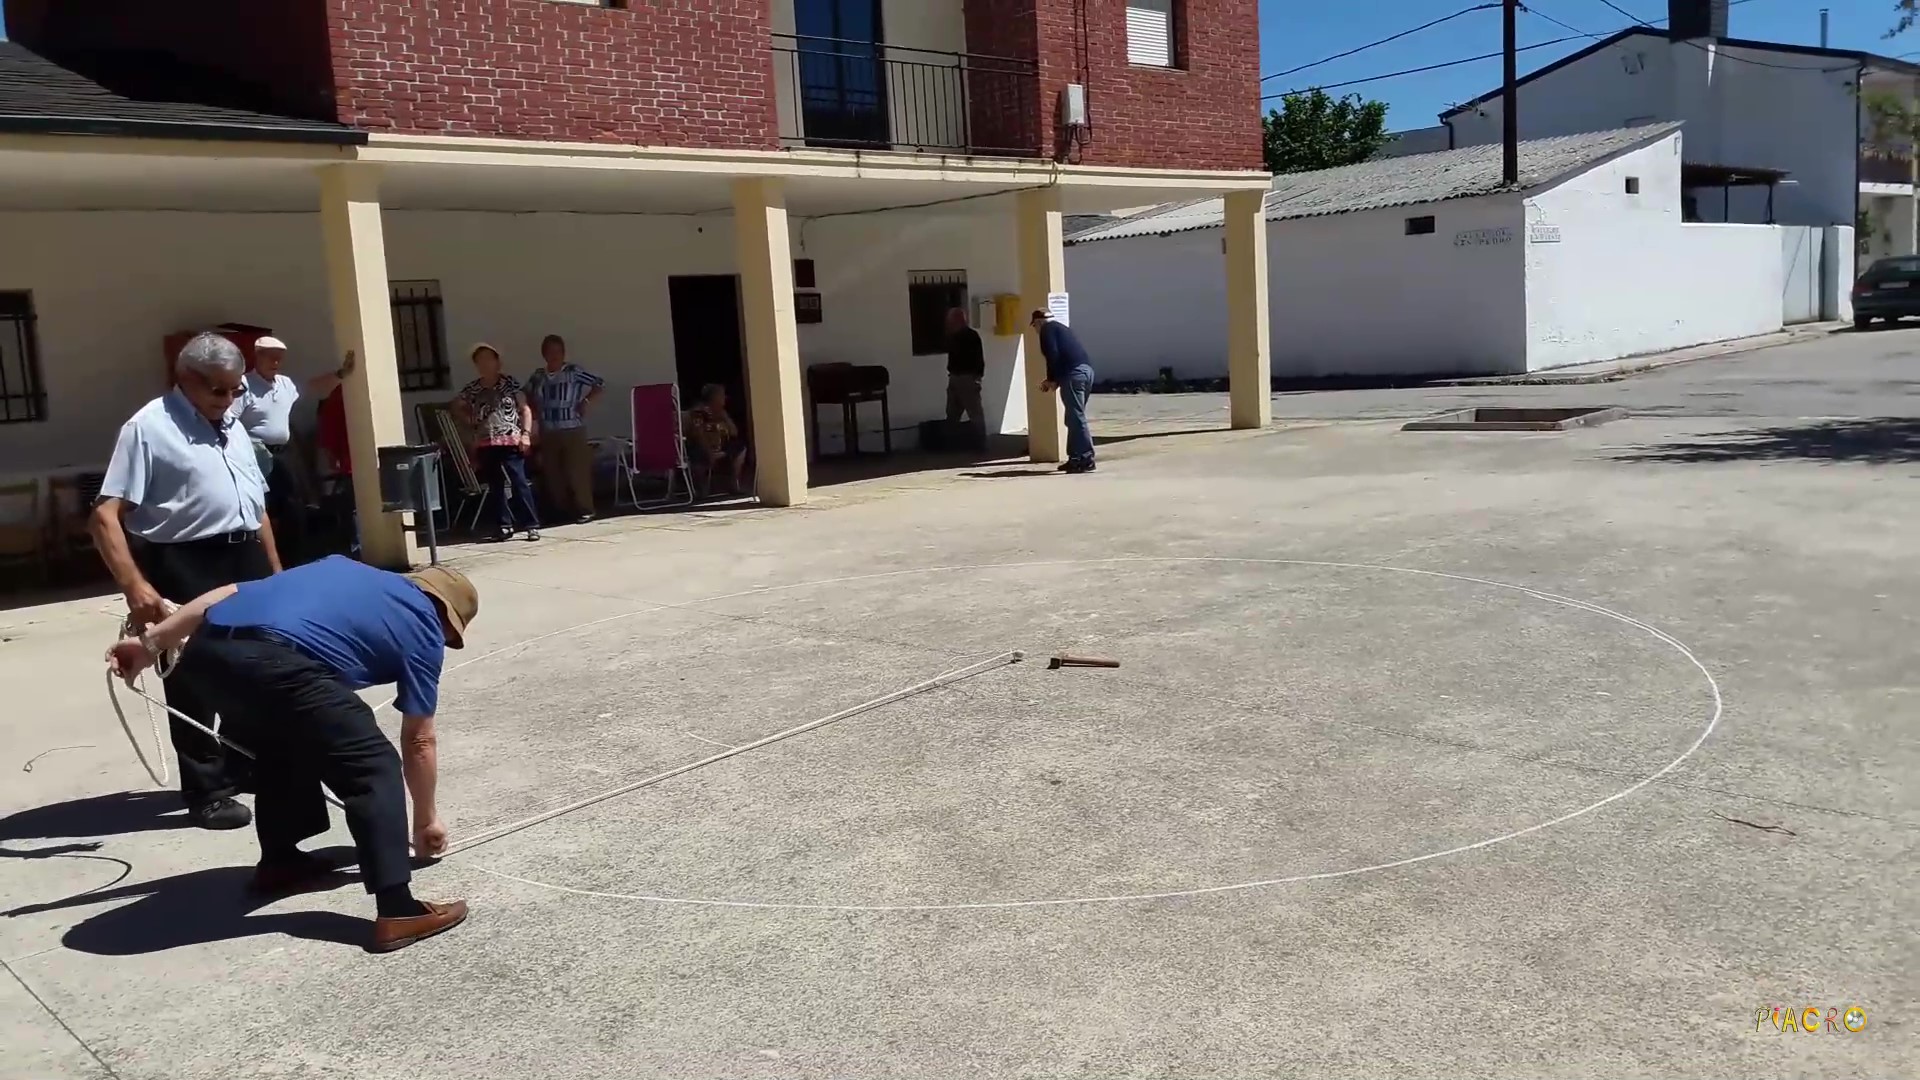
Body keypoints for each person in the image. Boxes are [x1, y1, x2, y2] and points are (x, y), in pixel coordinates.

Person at [104, 556, 478, 953]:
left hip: (205, 656)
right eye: (449, 636)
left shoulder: (344, 568)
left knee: (285, 743)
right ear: (446, 618)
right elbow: (419, 740)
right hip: (272, 658)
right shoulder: (425, 627)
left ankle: (281, 863)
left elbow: (225, 594)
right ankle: (398, 910)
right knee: (371, 765)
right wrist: (425, 820)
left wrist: (150, 645)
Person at [90, 332, 283, 830]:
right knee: (191, 675)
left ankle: (244, 761)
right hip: (184, 559)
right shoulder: (149, 428)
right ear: (185, 380)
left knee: (255, 665)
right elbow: (105, 516)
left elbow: (256, 506)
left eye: (236, 389)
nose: (228, 399)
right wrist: (136, 587)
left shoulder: (234, 425)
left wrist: (275, 572)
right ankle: (207, 788)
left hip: (244, 555)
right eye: (218, 390)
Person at [232, 337, 355, 560]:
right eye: (271, 357)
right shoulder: (245, 385)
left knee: (293, 504)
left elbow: (314, 388)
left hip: (284, 453)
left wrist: (340, 374)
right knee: (261, 507)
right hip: (256, 454)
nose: (275, 362)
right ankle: (265, 558)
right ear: (258, 356)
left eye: (279, 358)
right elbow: (230, 420)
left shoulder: (285, 383)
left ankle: (293, 557)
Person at [453, 343, 540, 542]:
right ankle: (504, 525)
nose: (485, 364)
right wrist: (470, 420)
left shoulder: (510, 383)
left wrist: (526, 434)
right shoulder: (473, 388)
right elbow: (457, 405)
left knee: (519, 482)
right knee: (495, 486)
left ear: (497, 362)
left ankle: (531, 525)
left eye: (488, 359)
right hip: (486, 441)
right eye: (480, 360)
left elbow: (525, 409)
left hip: (510, 439)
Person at [524, 334, 604, 525]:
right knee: (553, 474)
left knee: (577, 471)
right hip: (548, 430)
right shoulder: (538, 376)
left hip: (572, 429)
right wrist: (533, 420)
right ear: (544, 354)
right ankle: (562, 511)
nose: (554, 355)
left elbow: (598, 384)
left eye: (558, 351)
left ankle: (585, 509)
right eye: (550, 352)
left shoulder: (573, 371)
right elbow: (526, 395)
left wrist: (586, 402)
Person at [1032, 310, 1097, 474]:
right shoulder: (1062, 328)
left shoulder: (1047, 330)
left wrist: (1052, 379)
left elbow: (1052, 355)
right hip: (1086, 372)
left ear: (1038, 322)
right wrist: (1055, 379)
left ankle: (1086, 458)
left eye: (1034, 326)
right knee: (1073, 417)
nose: (1035, 330)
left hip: (1073, 375)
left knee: (1075, 418)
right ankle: (1075, 458)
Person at [683, 383, 750, 496]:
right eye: (722, 395)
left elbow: (734, 432)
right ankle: (701, 488)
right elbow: (699, 436)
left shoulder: (721, 412)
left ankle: (733, 483)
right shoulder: (698, 412)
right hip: (701, 447)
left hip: (720, 446)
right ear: (714, 397)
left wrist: (725, 418)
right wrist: (710, 453)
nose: (725, 398)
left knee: (740, 447)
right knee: (697, 455)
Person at [944, 307, 987, 450]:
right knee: (952, 412)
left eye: (951, 321)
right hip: (955, 377)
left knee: (974, 412)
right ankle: (952, 443)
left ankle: (980, 444)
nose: (948, 324)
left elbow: (978, 359)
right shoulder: (953, 337)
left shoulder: (970, 336)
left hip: (967, 378)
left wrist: (977, 377)